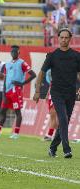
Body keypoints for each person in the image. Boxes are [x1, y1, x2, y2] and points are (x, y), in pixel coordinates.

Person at [33, 28, 80, 158]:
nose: (64, 39)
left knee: (65, 122)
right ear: (58, 39)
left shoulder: (76, 56)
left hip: (71, 93)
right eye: (62, 37)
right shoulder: (52, 56)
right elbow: (41, 73)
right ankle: (67, 149)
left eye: (66, 37)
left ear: (70, 39)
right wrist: (37, 91)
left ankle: (52, 148)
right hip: (56, 93)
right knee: (63, 119)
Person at [0, 45, 36, 139]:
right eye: (12, 51)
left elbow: (33, 74)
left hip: (16, 91)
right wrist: (4, 92)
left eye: (15, 51)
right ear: (10, 53)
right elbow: (5, 79)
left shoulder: (22, 63)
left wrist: (22, 83)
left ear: (18, 53)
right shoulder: (7, 64)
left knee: (17, 112)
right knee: (3, 111)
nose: (13, 53)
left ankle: (16, 133)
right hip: (7, 91)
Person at [43, 69, 58, 141]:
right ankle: (53, 134)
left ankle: (51, 135)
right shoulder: (52, 69)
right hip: (51, 93)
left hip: (56, 93)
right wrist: (47, 94)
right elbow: (51, 83)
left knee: (54, 115)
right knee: (52, 115)